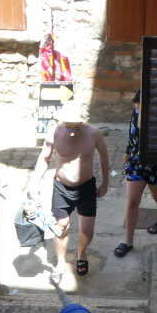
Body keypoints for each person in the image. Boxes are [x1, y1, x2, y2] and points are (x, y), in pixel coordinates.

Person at [29, 100, 110, 277]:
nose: (72, 133)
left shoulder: (94, 134)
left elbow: (104, 156)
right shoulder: (54, 132)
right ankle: (60, 262)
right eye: (68, 128)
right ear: (62, 123)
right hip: (62, 188)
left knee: (87, 231)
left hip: (86, 187)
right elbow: (44, 159)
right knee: (61, 227)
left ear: (83, 123)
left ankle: (82, 252)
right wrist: (34, 183)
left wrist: (105, 183)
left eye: (76, 128)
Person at [112, 90, 157, 258]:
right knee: (132, 201)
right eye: (137, 106)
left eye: (141, 107)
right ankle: (128, 242)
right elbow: (133, 135)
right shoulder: (136, 110)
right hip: (136, 162)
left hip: (156, 162)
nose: (138, 109)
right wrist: (127, 152)